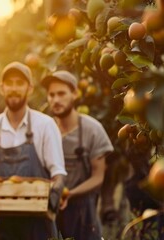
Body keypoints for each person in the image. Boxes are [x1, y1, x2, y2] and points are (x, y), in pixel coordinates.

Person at [0, 62, 67, 240]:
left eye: (19, 83)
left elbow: (58, 174)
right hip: (3, 228)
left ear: (30, 88)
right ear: (2, 88)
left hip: (39, 226)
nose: (14, 88)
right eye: (9, 83)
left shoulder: (45, 125)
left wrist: (51, 201)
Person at [42, 70, 114, 240]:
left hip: (83, 217)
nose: (56, 100)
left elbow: (98, 177)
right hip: (48, 213)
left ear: (74, 94)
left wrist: (70, 194)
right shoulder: (44, 129)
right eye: (51, 95)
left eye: (61, 93)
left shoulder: (92, 130)